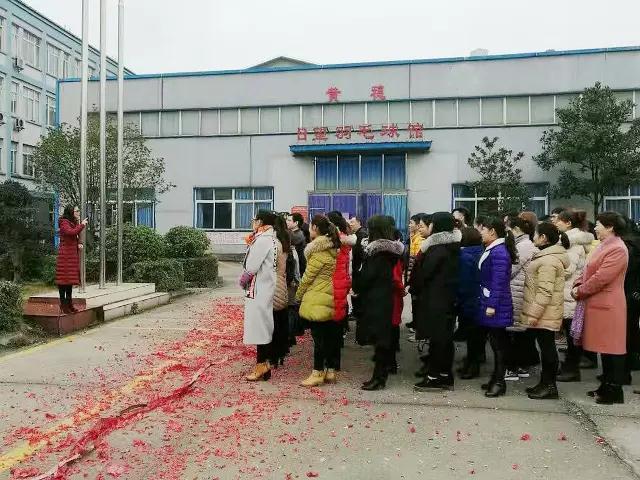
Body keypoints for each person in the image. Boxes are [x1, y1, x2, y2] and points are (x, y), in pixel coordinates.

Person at [572, 212, 629, 404]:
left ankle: (614, 390)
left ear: (610, 227)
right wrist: (578, 283)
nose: (595, 227)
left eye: (598, 224)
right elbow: (588, 270)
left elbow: (601, 278)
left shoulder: (617, 248)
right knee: (605, 349)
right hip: (598, 303)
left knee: (613, 349)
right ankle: (605, 386)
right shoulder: (604, 245)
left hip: (609, 305)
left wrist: (580, 290)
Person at [353, 215, 405, 390]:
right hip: (383, 298)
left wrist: (358, 280)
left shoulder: (379, 253)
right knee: (382, 339)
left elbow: (368, 276)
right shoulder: (389, 251)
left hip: (377, 299)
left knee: (381, 340)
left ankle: (379, 377)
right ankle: (379, 375)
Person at [520, 222, 570, 400]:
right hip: (545, 311)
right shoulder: (545, 256)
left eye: (535, 234)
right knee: (545, 348)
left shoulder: (548, 260)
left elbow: (545, 291)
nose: (533, 237)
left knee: (548, 349)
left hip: (545, 313)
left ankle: (549, 386)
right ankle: (545, 383)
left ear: (543, 238)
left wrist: (534, 314)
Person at [413, 212, 461, 392]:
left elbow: (424, 274)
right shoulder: (453, 246)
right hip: (447, 299)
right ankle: (445, 376)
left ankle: (434, 377)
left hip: (436, 300)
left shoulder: (437, 249)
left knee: (437, 340)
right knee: (445, 340)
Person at [295, 215, 340, 387]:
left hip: (317, 296)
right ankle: (330, 371)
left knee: (319, 338)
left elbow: (307, 277)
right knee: (329, 336)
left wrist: (298, 295)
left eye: (310, 227)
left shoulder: (318, 251)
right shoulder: (331, 247)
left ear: (315, 227)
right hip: (328, 294)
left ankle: (317, 372)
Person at [477, 216, 518, 398]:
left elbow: (498, 282)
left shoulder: (499, 252)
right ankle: (496, 378)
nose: (481, 233)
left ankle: (500, 382)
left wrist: (492, 305)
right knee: (495, 343)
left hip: (497, 304)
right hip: (490, 300)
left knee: (499, 345)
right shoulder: (493, 249)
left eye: (483, 230)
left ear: (492, 231)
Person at [555, 209, 597, 381]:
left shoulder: (572, 242)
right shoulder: (570, 240)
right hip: (568, 292)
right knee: (572, 334)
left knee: (572, 335)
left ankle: (572, 370)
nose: (556, 222)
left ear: (568, 223)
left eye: (559, 220)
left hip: (569, 293)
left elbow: (567, 269)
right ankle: (570, 367)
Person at [240, 210, 278, 382]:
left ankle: (261, 364)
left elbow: (252, 266)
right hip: (265, 287)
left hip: (259, 288)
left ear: (261, 222)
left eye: (255, 220)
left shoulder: (262, 240)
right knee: (264, 326)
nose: (253, 222)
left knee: (259, 328)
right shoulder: (271, 238)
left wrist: (244, 278)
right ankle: (264, 364)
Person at [504, 215, 540, 381]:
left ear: (516, 229)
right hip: (520, 291)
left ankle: (513, 368)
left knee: (515, 334)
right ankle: (520, 366)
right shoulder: (523, 244)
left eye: (508, 229)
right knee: (519, 333)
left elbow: (510, 269)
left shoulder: (523, 246)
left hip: (517, 292)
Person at [327, 211, 356, 376]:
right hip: (342, 282)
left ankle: (331, 364)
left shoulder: (333, 242)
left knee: (331, 323)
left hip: (333, 283)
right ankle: (335, 362)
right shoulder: (345, 241)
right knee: (337, 321)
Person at [456, 227, 485, 379]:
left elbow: (464, 283)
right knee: (477, 336)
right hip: (480, 298)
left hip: (469, 301)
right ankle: (472, 362)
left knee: (472, 336)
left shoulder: (465, 256)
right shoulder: (481, 252)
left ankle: (472, 367)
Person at [55, 205, 88, 314]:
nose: (78, 212)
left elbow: (76, 236)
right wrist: (82, 225)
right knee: (63, 282)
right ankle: (63, 305)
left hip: (71, 256)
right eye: (76, 211)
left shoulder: (73, 222)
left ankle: (69, 304)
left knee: (69, 283)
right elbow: (71, 232)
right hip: (65, 257)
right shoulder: (64, 222)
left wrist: (80, 242)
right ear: (71, 212)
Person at [270, 214, 292, 367]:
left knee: (272, 323)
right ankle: (281, 352)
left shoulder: (273, 243)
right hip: (282, 283)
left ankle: (273, 355)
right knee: (280, 320)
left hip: (273, 284)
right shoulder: (285, 241)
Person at [623, 218, 640, 380]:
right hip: (634, 292)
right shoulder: (635, 241)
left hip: (629, 291)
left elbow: (629, 271)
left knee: (627, 331)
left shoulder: (629, 245)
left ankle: (624, 370)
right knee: (632, 329)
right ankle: (633, 361)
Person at [406, 213, 427, 331]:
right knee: (414, 300)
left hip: (416, 273)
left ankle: (417, 325)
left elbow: (416, 260)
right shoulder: (413, 237)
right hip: (412, 272)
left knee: (417, 300)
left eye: (411, 223)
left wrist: (410, 275)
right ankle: (415, 322)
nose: (409, 225)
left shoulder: (420, 239)